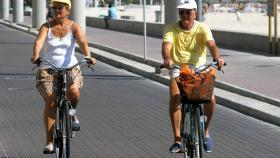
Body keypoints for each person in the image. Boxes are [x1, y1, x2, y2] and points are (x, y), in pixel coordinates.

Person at [30, 0, 96, 154]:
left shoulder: (74, 26)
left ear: (68, 10)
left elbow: (83, 42)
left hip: (71, 68)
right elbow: (39, 42)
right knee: (51, 99)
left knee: (74, 92)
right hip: (48, 69)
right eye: (54, 8)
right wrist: (35, 55)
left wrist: (88, 56)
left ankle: (72, 114)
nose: (56, 10)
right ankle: (49, 141)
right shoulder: (46, 27)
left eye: (60, 8)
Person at [161, 0, 225, 153]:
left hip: (199, 68)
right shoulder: (170, 28)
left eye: (188, 12)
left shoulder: (202, 28)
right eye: (181, 12)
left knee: (211, 99)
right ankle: (177, 139)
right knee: (175, 96)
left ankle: (206, 132)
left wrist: (217, 58)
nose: (184, 15)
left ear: (195, 13)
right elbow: (166, 46)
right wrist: (167, 59)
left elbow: (212, 45)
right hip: (178, 68)